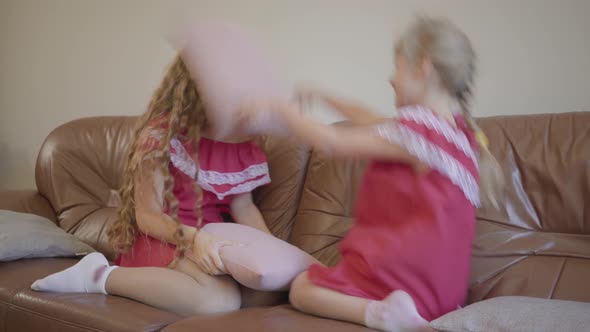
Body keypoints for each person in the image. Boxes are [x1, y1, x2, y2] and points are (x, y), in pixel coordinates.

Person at [241, 17, 503, 332]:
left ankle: (387, 316)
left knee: (301, 289)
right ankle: (404, 314)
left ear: (423, 67)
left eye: (398, 68)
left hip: (407, 283)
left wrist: (278, 109)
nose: (391, 79)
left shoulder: (421, 133)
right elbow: (373, 120)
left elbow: (331, 142)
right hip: (441, 292)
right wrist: (325, 96)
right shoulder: (457, 136)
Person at [31, 56, 273, 317]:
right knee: (218, 302)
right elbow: (148, 216)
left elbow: (244, 206)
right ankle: (99, 275)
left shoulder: (243, 140)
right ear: (195, 94)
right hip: (164, 237)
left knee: (267, 290)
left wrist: (273, 251)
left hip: (214, 240)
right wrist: (195, 239)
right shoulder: (161, 135)